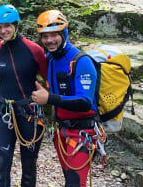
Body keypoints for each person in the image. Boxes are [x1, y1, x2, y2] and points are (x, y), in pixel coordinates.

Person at [32, 10, 98, 187]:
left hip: (83, 133)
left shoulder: (81, 61)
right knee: (68, 178)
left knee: (74, 183)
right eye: (45, 36)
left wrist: (50, 98)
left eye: (54, 35)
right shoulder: (50, 59)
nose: (49, 40)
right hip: (61, 132)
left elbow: (85, 102)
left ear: (64, 33)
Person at [0, 4, 47, 187]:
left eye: (7, 25)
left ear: (16, 24)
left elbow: (48, 78)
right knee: (1, 164)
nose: (3, 30)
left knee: (29, 166)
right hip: (4, 112)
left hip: (28, 112)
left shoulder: (34, 50)